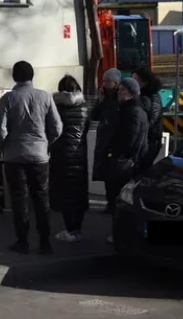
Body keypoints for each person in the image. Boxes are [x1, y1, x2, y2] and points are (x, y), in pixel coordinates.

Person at [0, 61, 63, 255]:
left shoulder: (8, 98)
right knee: (41, 198)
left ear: (15, 77)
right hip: (40, 156)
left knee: (19, 199)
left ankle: (22, 241)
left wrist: (3, 147)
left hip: (14, 157)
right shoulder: (45, 96)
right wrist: (46, 143)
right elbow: (57, 127)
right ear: (32, 76)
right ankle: (44, 241)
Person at [49, 75, 91, 243]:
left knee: (65, 194)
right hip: (79, 157)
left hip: (61, 157)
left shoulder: (56, 107)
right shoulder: (84, 107)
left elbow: (52, 130)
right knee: (78, 193)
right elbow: (86, 129)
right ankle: (78, 229)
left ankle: (69, 229)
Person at [103, 77, 148, 228]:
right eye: (120, 89)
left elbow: (131, 140)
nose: (119, 92)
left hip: (124, 163)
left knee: (121, 199)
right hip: (124, 161)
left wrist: (115, 154)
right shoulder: (126, 110)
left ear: (131, 93)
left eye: (123, 90)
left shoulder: (133, 112)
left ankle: (122, 232)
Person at [91, 68, 122, 213]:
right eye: (103, 80)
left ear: (115, 83)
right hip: (104, 139)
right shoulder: (105, 97)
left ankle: (116, 204)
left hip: (114, 140)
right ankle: (110, 203)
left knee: (115, 176)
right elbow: (95, 115)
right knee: (106, 176)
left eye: (107, 81)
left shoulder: (120, 98)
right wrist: (100, 101)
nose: (104, 84)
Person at [134, 66, 165, 173]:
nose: (134, 82)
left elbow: (151, 120)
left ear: (145, 82)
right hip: (143, 140)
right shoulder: (140, 95)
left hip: (151, 140)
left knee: (142, 170)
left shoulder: (153, 97)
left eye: (136, 79)